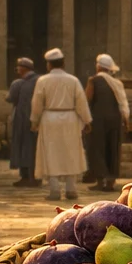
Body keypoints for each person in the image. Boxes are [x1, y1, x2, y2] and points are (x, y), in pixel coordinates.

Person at [31, 47, 91, 201]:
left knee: (51, 153)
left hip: (49, 119)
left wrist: (34, 120)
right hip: (70, 119)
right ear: (63, 63)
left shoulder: (43, 81)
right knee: (71, 152)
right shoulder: (73, 80)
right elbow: (81, 102)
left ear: (49, 64)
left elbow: (37, 103)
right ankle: (71, 189)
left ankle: (55, 189)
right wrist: (86, 120)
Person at [84, 53, 129, 192]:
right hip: (115, 120)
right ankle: (110, 182)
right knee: (113, 149)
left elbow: (87, 100)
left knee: (97, 149)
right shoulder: (116, 83)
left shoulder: (93, 80)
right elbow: (123, 104)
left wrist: (85, 119)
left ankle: (100, 181)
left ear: (98, 67)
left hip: (98, 120)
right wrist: (126, 120)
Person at [5, 57, 40, 188]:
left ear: (24, 68)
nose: (17, 69)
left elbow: (10, 98)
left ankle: (26, 177)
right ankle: (35, 176)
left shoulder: (17, 83)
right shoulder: (40, 80)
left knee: (23, 147)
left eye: (19, 66)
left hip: (21, 118)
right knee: (34, 147)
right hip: (38, 117)